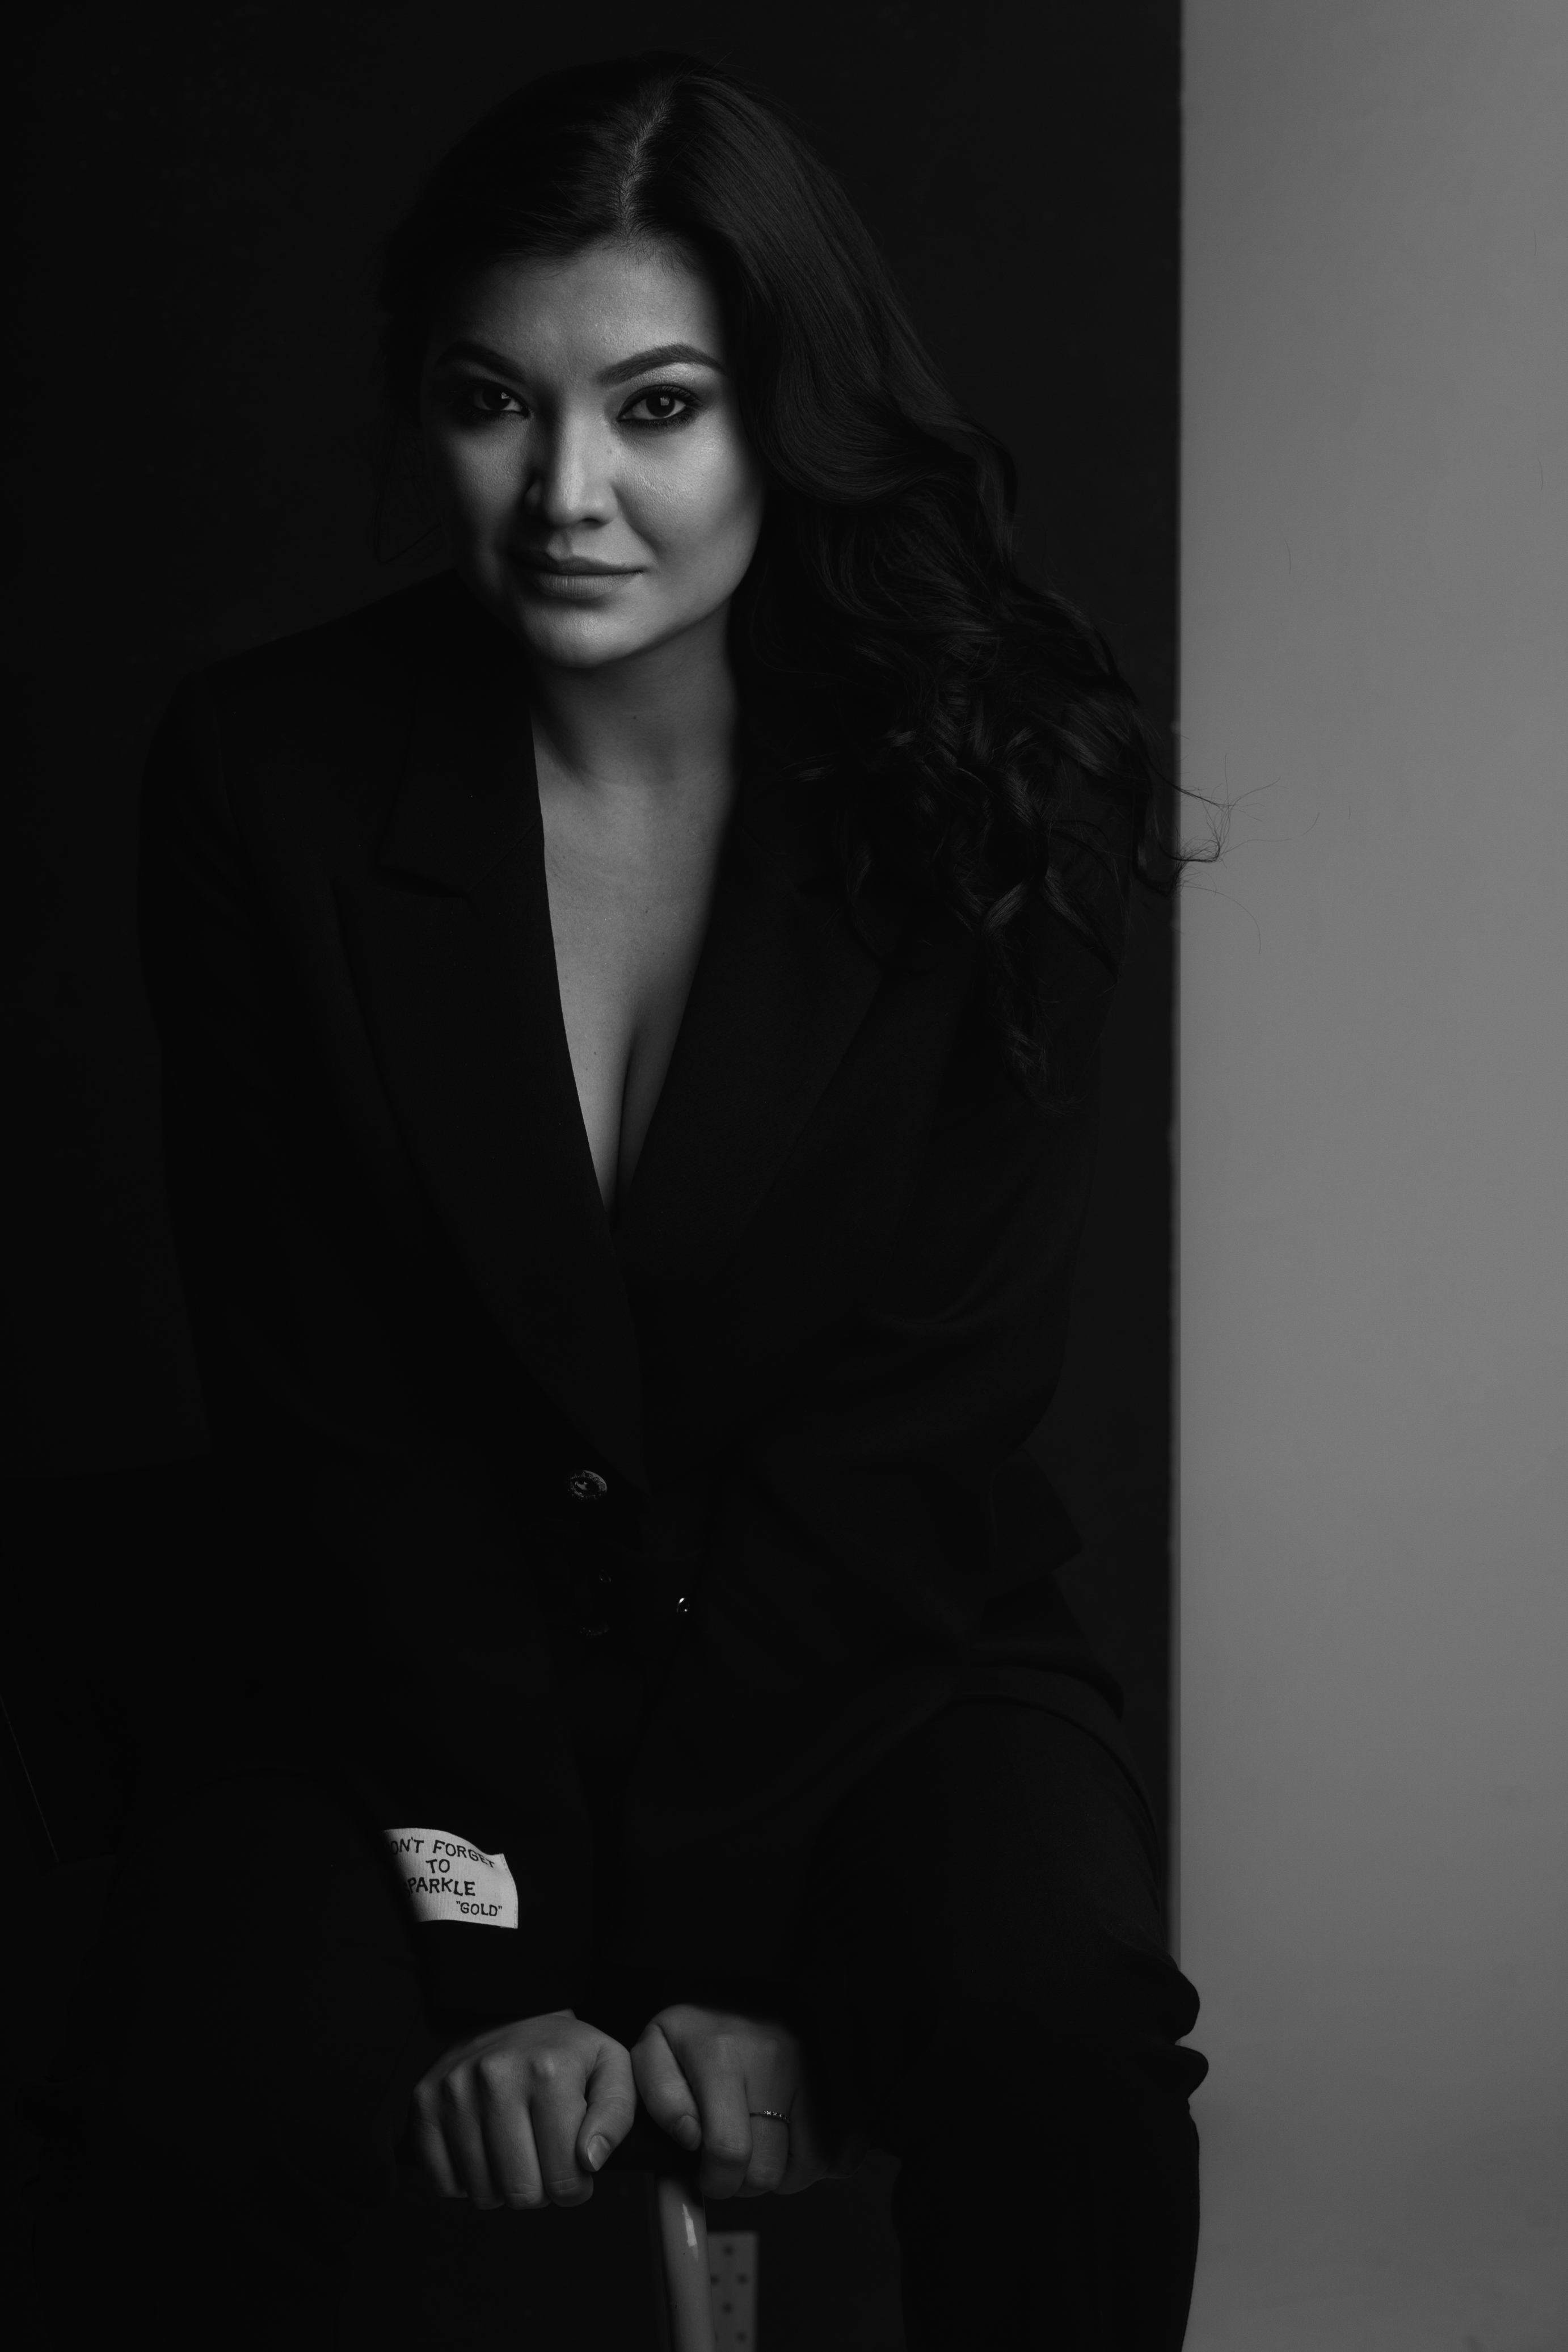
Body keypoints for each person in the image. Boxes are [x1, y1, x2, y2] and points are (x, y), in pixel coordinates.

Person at [26, 51, 1205, 2349]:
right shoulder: (260, 782)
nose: (568, 492)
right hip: (389, 1659)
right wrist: (498, 1958)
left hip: (869, 1660)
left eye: (656, 405)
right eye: (493, 402)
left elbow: (914, 1429)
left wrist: (719, 1965)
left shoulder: (1011, 790)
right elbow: (321, 1401)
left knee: (1052, 2041)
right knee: (178, 2088)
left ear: (788, 407)